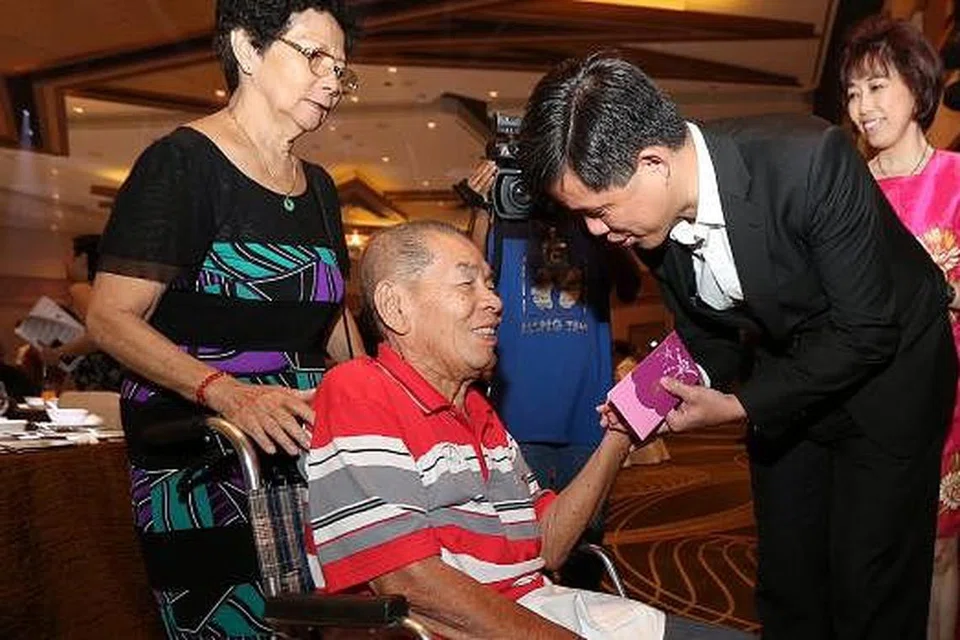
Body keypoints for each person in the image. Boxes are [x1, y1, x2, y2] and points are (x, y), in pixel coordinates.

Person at [516, 52, 958, 640]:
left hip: (890, 372)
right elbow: (710, 331)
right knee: (787, 578)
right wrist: (643, 400)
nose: (596, 232)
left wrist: (743, 406)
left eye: (599, 211)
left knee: (868, 583)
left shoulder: (807, 161)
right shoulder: (647, 222)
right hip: (790, 375)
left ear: (653, 162)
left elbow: (867, 330)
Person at [307, 220, 752, 640]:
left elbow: (548, 546)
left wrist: (619, 437)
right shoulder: (360, 390)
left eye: (490, 282)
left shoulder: (478, 409)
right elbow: (409, 582)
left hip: (539, 609)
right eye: (467, 284)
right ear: (395, 306)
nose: (496, 301)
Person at [85, 1, 362, 637]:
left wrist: (385, 393)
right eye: (314, 56)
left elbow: (330, 322)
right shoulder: (181, 164)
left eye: (342, 70)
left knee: (310, 621)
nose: (331, 81)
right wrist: (228, 394)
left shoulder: (318, 185)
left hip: (300, 454)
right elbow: (110, 318)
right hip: (204, 455)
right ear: (246, 49)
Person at [464, 159, 639, 589]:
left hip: (590, 416)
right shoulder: (506, 227)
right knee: (521, 547)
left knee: (586, 543)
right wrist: (483, 206)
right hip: (517, 419)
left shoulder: (592, 228)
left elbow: (632, 284)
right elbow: (467, 275)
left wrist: (600, 202)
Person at [841, 15, 960, 640]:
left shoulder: (958, 180)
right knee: (875, 554)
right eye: (854, 93)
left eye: (877, 87)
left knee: (940, 554)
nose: (862, 106)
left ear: (916, 88)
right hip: (867, 400)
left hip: (950, 400)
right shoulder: (848, 190)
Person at [39, 235, 124, 392]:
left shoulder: (81, 289)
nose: (66, 263)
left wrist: (57, 353)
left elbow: (99, 335)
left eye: (71, 256)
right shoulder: (105, 291)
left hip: (99, 375)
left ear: (83, 259)